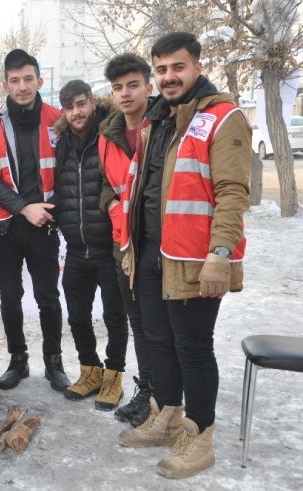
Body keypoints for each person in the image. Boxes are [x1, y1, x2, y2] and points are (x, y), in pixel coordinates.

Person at [117, 32, 251, 479]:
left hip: (196, 260)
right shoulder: (157, 119)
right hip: (153, 253)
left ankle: (200, 435)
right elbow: (144, 188)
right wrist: (130, 246)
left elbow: (233, 193)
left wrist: (219, 253)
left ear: (196, 67)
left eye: (178, 67)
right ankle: (168, 414)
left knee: (193, 348)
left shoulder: (222, 117)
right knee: (160, 343)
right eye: (161, 69)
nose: (169, 76)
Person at [0, 49, 69, 392]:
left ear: (39, 81)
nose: (22, 86)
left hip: (43, 221)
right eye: (14, 80)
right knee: (10, 295)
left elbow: (65, 171)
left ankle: (54, 363)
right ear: (5, 84)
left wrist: (49, 207)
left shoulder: (57, 119)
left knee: (48, 295)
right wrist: (23, 207)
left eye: (28, 79)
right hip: (5, 225)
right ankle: (18, 360)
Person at [53, 80, 129, 411]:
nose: (76, 112)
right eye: (69, 107)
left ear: (93, 103)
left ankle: (114, 376)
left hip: (108, 248)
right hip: (75, 249)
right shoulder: (62, 144)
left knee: (115, 316)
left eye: (81, 104)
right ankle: (90, 371)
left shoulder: (110, 137)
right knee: (78, 317)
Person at [99, 53, 155, 426]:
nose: (125, 93)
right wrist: (115, 208)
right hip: (125, 245)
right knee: (139, 324)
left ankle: (165, 400)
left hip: (159, 245)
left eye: (133, 85)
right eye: (118, 87)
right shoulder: (109, 135)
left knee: (160, 329)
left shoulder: (165, 125)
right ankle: (148, 391)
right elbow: (108, 185)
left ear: (148, 87)